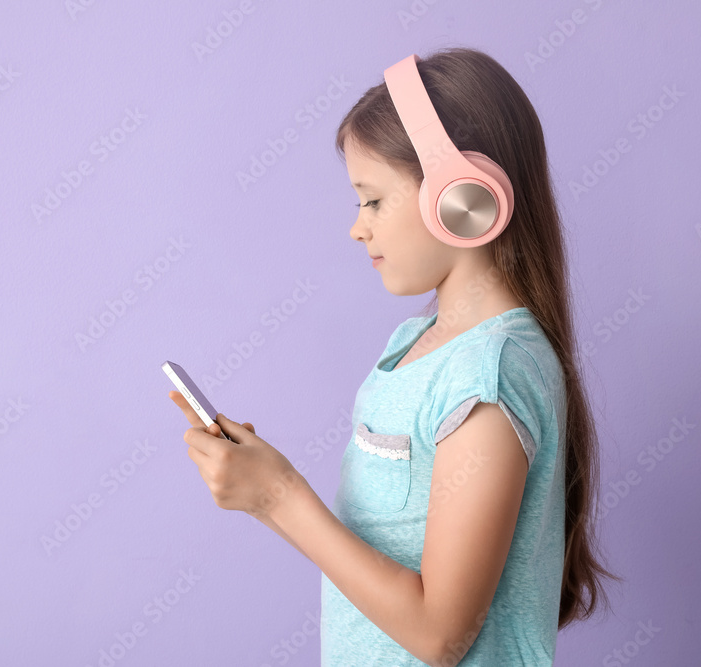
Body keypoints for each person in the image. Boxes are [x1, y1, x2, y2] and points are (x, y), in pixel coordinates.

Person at [170, 45, 619, 666]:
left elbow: (442, 635)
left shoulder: (488, 374)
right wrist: (260, 490)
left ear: (465, 198)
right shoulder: (416, 345)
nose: (358, 227)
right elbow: (368, 554)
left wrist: (280, 498)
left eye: (373, 199)